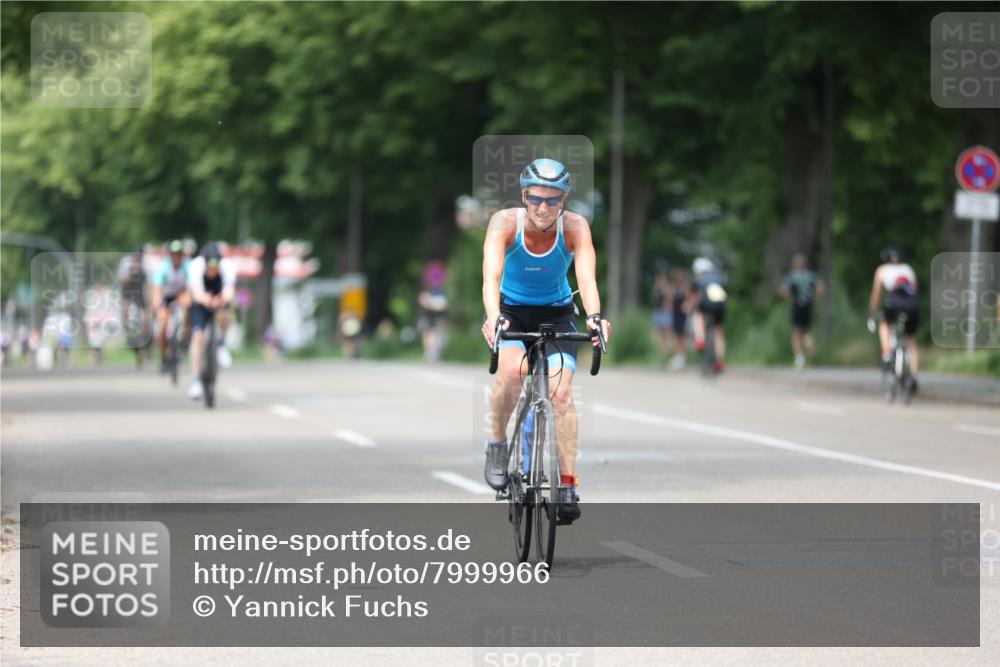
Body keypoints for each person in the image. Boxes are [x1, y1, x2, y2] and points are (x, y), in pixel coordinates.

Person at [481, 158, 611, 524]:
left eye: (552, 200)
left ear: (564, 201)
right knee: (510, 376)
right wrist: (494, 318)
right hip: (511, 311)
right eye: (536, 198)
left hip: (557, 313)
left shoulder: (575, 228)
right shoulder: (504, 224)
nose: (543, 207)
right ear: (524, 196)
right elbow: (490, 278)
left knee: (562, 394)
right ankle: (496, 443)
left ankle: (567, 483)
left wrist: (595, 317)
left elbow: (586, 281)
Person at [186, 242, 237, 400]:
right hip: (201, 300)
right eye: (210, 266)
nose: (213, 269)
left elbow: (229, 291)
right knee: (198, 337)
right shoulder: (196, 266)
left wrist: (222, 299)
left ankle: (221, 344)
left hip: (218, 295)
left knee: (226, 314)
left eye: (216, 266)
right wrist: (207, 300)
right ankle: (196, 380)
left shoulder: (228, 266)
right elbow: (197, 293)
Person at [867, 246, 919, 393]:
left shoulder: (882, 270)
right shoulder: (908, 269)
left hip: (894, 303)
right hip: (912, 305)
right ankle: (914, 376)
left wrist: (872, 312)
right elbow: (915, 289)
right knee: (911, 340)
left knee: (885, 324)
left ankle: (887, 354)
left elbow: (877, 293)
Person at [779, 253, 826, 369]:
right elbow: (822, 288)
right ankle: (811, 347)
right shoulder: (811, 275)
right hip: (809, 304)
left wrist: (785, 295)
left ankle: (799, 357)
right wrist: (816, 297)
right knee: (807, 330)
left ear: (794, 264)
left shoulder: (792, 276)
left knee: (796, 332)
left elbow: (784, 292)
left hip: (797, 305)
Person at [151, 240, 191, 372]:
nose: (176, 257)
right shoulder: (163, 267)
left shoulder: (187, 266)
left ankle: (184, 337)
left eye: (179, 254)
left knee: (188, 308)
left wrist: (188, 299)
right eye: (174, 254)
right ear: (170, 255)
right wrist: (156, 301)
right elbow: (157, 287)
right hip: (166, 298)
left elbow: (191, 287)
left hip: (181, 296)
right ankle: (164, 356)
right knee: (162, 326)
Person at [688, 257, 727, 374]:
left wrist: (689, 307)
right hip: (721, 305)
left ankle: (700, 339)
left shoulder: (698, 280)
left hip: (706, 304)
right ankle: (720, 361)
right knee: (718, 332)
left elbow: (695, 298)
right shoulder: (719, 278)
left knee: (697, 315)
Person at [117, 245, 150, 353]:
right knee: (126, 309)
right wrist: (131, 273)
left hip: (140, 291)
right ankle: (127, 332)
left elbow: (149, 283)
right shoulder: (126, 262)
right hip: (128, 291)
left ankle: (146, 339)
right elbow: (122, 280)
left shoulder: (146, 264)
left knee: (146, 318)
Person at [417, 260, 449, 363]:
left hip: (437, 316)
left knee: (436, 334)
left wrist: (432, 304)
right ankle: (429, 352)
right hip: (428, 316)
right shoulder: (428, 291)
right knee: (427, 333)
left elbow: (443, 305)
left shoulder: (441, 292)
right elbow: (422, 300)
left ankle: (434, 353)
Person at [651, 268, 673, 368]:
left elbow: (669, 302)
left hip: (664, 313)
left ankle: (666, 356)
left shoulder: (667, 289)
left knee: (666, 336)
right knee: (661, 337)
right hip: (659, 313)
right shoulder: (656, 290)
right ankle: (664, 357)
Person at [669, 265, 690, 370]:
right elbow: (670, 300)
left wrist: (686, 305)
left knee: (683, 336)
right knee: (676, 336)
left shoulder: (685, 286)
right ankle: (678, 355)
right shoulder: (673, 287)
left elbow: (688, 298)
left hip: (683, 314)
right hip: (675, 314)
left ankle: (682, 356)